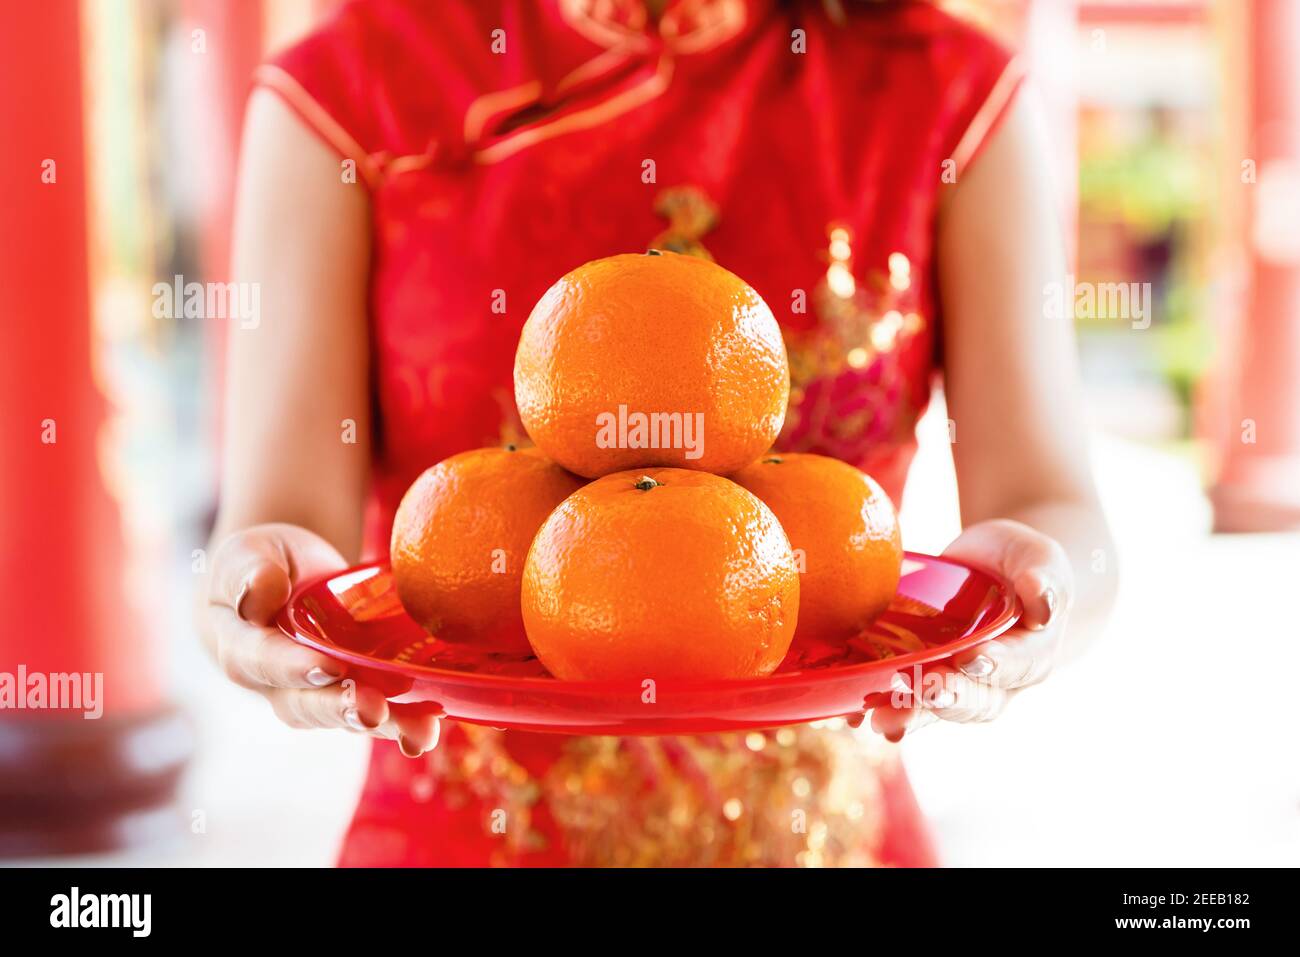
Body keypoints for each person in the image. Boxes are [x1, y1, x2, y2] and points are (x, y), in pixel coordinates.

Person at [201, 0, 1115, 866]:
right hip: (464, 834)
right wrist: (258, 592)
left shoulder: (946, 95)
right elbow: (280, 530)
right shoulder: (353, 93)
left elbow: (1057, 509)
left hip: (827, 835)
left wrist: (1042, 588)